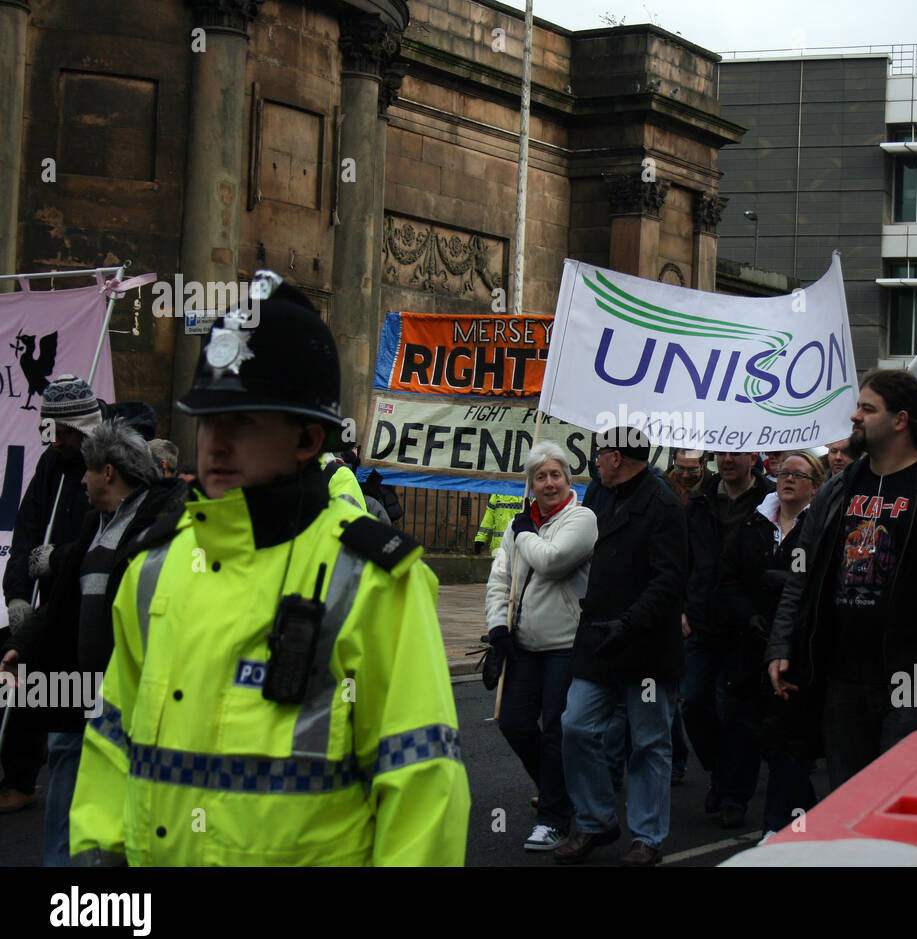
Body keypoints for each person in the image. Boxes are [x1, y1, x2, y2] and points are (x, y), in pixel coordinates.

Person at [68, 271, 469, 865]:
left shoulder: (376, 581)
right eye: (208, 420)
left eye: (243, 422)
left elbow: (422, 784)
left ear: (307, 438)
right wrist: (96, 858)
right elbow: (112, 737)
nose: (216, 444)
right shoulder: (155, 566)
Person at [766, 371, 917, 790]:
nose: (854, 417)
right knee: (847, 798)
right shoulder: (838, 489)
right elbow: (801, 574)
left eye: (867, 409)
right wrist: (782, 644)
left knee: (900, 797)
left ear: (900, 420)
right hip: (842, 675)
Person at [1, 418, 186, 864]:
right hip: (81, 688)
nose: (81, 478)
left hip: (128, 694)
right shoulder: (93, 524)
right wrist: (21, 646)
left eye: (88, 469)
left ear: (109, 472)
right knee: (67, 773)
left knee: (115, 801)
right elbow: (62, 601)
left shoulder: (162, 523)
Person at [555, 426, 686, 866]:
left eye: (599, 453)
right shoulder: (599, 494)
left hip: (645, 645)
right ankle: (596, 821)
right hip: (598, 641)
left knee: (649, 742)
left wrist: (629, 622)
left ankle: (647, 837)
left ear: (615, 457)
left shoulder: (663, 504)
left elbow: (668, 579)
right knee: (575, 725)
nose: (594, 461)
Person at [484, 440, 597, 852]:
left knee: (556, 731)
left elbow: (552, 560)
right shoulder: (520, 524)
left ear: (568, 479)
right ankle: (556, 790)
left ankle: (554, 817)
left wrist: (523, 533)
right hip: (523, 645)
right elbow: (500, 579)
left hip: (565, 644)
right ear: (530, 484)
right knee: (512, 723)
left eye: (556, 475)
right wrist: (497, 626)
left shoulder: (581, 518)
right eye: (540, 477)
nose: (549, 483)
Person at [2, 374, 102, 814]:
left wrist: (57, 558)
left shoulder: (104, 462)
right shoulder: (52, 463)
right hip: (47, 600)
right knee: (23, 678)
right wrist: (17, 596)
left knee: (68, 698)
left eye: (63, 432)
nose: (55, 440)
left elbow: (107, 538)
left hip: (85, 600)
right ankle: (20, 778)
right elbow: (25, 529)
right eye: (51, 431)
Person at [718, 450, 824, 835]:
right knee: (747, 727)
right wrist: (749, 616)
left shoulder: (821, 526)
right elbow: (727, 576)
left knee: (786, 737)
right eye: (782, 472)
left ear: (816, 485)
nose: (787, 479)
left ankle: (778, 825)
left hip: (795, 650)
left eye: (798, 474)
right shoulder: (755, 522)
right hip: (749, 645)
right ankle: (747, 798)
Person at [683, 450, 774, 815]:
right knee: (694, 702)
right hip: (702, 619)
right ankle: (721, 771)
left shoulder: (768, 500)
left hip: (746, 622)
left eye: (736, 454)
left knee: (738, 709)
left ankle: (734, 793)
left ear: (753, 457)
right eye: (721, 454)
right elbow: (682, 557)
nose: (727, 461)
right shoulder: (700, 500)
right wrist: (683, 607)